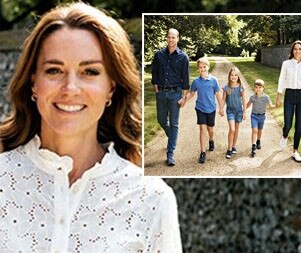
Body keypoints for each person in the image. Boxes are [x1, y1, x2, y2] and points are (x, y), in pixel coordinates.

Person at [0, 3, 182, 252]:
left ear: (111, 87)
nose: (70, 88)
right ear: (33, 82)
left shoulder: (151, 199)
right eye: (54, 70)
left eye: (90, 71)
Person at [151, 28, 190, 166]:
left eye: (173, 37)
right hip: (161, 93)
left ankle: (170, 153)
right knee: (161, 119)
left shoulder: (183, 57)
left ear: (178, 39)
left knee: (174, 123)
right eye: (168, 37)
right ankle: (171, 136)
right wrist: (155, 87)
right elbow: (154, 72)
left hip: (175, 94)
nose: (170, 39)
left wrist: (184, 97)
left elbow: (185, 78)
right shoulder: (159, 55)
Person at [276, 40, 301, 162]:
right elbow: (282, 79)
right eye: (295, 49)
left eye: (300, 49)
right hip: (289, 95)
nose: (297, 51)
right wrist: (278, 95)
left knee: (299, 125)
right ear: (292, 50)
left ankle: (295, 151)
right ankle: (284, 136)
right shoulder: (286, 64)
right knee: (288, 124)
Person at [185, 57, 223, 163]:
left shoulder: (213, 80)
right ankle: (202, 152)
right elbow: (191, 93)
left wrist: (221, 108)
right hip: (200, 108)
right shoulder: (196, 81)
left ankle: (211, 140)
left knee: (210, 129)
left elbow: (218, 94)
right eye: (200, 67)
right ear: (198, 69)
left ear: (208, 67)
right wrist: (184, 100)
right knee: (202, 129)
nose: (202, 69)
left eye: (204, 67)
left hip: (211, 109)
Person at [221, 67, 246, 159]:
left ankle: (234, 146)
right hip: (230, 111)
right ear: (229, 76)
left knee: (236, 129)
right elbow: (223, 99)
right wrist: (221, 108)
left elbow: (243, 99)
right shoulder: (227, 87)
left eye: (235, 75)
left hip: (239, 111)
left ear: (238, 76)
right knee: (232, 129)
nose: (234, 77)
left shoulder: (241, 87)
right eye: (232, 75)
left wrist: (244, 112)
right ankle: (229, 149)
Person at [246, 79, 276, 156]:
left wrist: (277, 105)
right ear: (254, 88)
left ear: (263, 88)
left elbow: (271, 106)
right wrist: (242, 110)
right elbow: (247, 105)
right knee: (254, 130)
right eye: (256, 87)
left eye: (260, 87)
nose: (258, 89)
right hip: (254, 116)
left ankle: (258, 141)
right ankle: (253, 146)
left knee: (259, 130)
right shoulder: (252, 97)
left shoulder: (266, 97)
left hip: (262, 116)